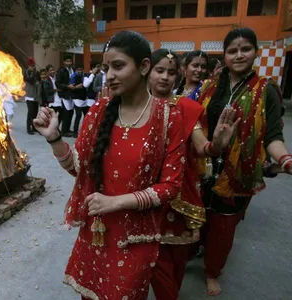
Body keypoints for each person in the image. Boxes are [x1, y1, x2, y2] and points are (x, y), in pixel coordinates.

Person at [34, 30, 186, 300]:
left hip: (136, 237)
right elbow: (78, 168)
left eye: (118, 66)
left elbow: (171, 186)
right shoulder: (99, 111)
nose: (110, 75)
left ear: (143, 67)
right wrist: (54, 138)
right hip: (97, 231)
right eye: (106, 68)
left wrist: (116, 202)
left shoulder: (169, 118)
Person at [197, 27, 292, 296]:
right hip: (204, 164)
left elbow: (272, 135)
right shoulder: (209, 87)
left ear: (255, 52)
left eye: (245, 49)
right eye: (232, 50)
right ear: (224, 56)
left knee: (224, 226)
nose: (239, 55)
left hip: (238, 173)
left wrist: (284, 159)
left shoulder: (266, 91)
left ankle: (212, 271)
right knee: (200, 217)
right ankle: (201, 251)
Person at [148, 49, 240, 300]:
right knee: (144, 257)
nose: (165, 77)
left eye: (171, 72)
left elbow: (202, 147)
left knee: (173, 260)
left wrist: (217, 144)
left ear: (178, 75)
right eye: (159, 71)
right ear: (147, 71)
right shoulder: (133, 106)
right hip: (138, 194)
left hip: (178, 194)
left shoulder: (187, 107)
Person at [56, 55, 75, 137]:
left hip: (72, 94)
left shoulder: (72, 69)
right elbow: (58, 83)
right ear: (64, 62)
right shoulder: (61, 71)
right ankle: (64, 131)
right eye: (67, 61)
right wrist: (67, 86)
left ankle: (67, 129)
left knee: (71, 112)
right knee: (66, 113)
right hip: (65, 94)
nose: (69, 63)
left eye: (70, 61)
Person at [70, 66, 88, 138]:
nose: (80, 71)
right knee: (78, 115)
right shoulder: (74, 77)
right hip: (77, 98)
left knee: (86, 116)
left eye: (81, 70)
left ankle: (84, 131)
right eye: (78, 70)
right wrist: (79, 86)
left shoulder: (85, 76)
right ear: (76, 70)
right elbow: (73, 87)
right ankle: (75, 132)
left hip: (84, 99)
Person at [24, 57, 40, 135]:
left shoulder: (37, 72)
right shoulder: (26, 72)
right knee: (30, 112)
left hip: (36, 95)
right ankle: (28, 128)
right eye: (31, 65)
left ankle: (34, 127)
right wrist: (33, 72)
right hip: (29, 95)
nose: (33, 67)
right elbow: (29, 80)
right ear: (28, 66)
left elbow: (39, 80)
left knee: (35, 112)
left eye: (34, 65)